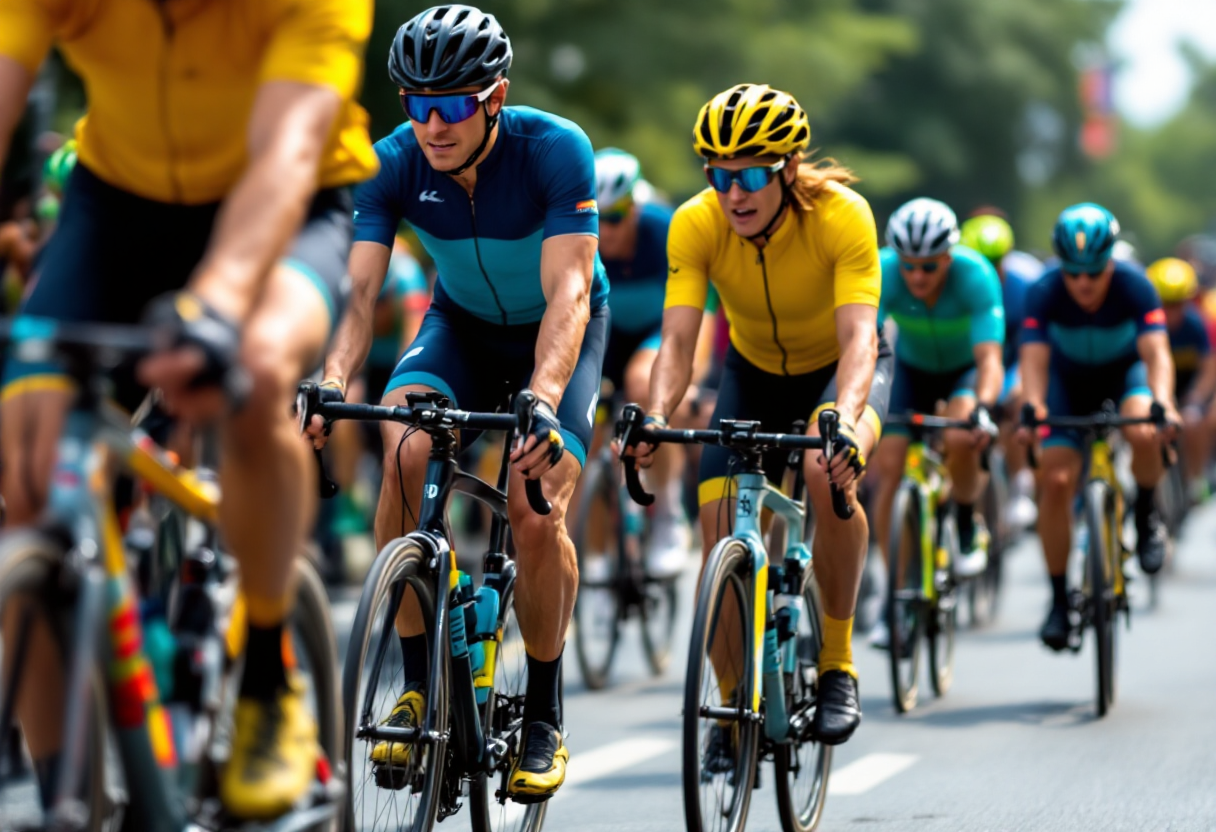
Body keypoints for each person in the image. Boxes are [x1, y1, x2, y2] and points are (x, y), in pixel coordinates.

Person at [0, 0, 378, 819]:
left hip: (287, 204)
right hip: (117, 208)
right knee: (25, 475)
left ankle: (270, 681)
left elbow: (286, 153)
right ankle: (73, 795)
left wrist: (210, 304)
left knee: (251, 369)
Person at [305, 5, 606, 800]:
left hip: (557, 332)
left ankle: (542, 712)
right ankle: (414, 683)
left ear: (495, 97)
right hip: (461, 328)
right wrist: (333, 379)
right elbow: (360, 289)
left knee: (533, 507)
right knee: (404, 448)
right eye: (416, 104)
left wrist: (543, 398)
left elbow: (570, 292)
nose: (432, 125)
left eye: (453, 106)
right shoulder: (393, 162)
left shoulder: (555, 151)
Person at [630, 83, 892, 746]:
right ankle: (728, 704)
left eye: (749, 175)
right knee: (720, 536)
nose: (733, 194)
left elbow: (861, 337)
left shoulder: (842, 216)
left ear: (789, 169)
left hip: (842, 371)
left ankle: (836, 661)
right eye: (718, 175)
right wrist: (654, 416)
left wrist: (843, 416)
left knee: (824, 466)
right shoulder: (697, 222)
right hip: (752, 376)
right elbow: (679, 341)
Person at [1018, 204, 1178, 651]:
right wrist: (1031, 406)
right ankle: (1056, 601)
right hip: (1067, 383)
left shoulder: (1135, 286)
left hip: (1124, 374)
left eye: (1094, 272)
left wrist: (1163, 401)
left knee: (1144, 429)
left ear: (1111, 261)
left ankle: (1147, 513)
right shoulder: (1045, 290)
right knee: (1054, 480)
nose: (1083, 283)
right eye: (1073, 273)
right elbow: (1033, 360)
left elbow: (1156, 355)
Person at [869, 199, 1003, 648]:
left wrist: (983, 405)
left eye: (929, 266)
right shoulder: (883, 271)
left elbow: (989, 359)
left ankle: (966, 519)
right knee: (888, 468)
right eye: (909, 266)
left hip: (964, 370)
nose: (918, 277)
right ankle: (896, 595)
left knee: (964, 434)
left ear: (948, 256)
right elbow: (862, 343)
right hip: (910, 370)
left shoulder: (976, 274)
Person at [593, 147, 699, 576]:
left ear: (635, 207)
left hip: (654, 334)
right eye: (597, 218)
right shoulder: (581, 233)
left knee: (644, 383)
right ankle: (598, 556)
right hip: (605, 334)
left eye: (615, 218)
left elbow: (698, 312)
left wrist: (689, 376)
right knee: (590, 432)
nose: (606, 230)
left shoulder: (665, 231)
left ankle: (668, 510)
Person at [959, 212, 1043, 527]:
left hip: (1012, 362)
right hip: (972, 364)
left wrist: (1016, 385)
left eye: (997, 261)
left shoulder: (1025, 285)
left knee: (1021, 402)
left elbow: (1032, 348)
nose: (989, 269)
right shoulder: (958, 283)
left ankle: (1021, 484)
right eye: (981, 260)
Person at [1147, 257, 1216, 501]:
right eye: (1165, 303)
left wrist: (1197, 396)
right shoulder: (1147, 324)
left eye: (1177, 304)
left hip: (1189, 385)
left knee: (1194, 420)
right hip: (1159, 385)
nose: (1171, 311)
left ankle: (1195, 478)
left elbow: (1209, 366)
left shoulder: (1195, 324)